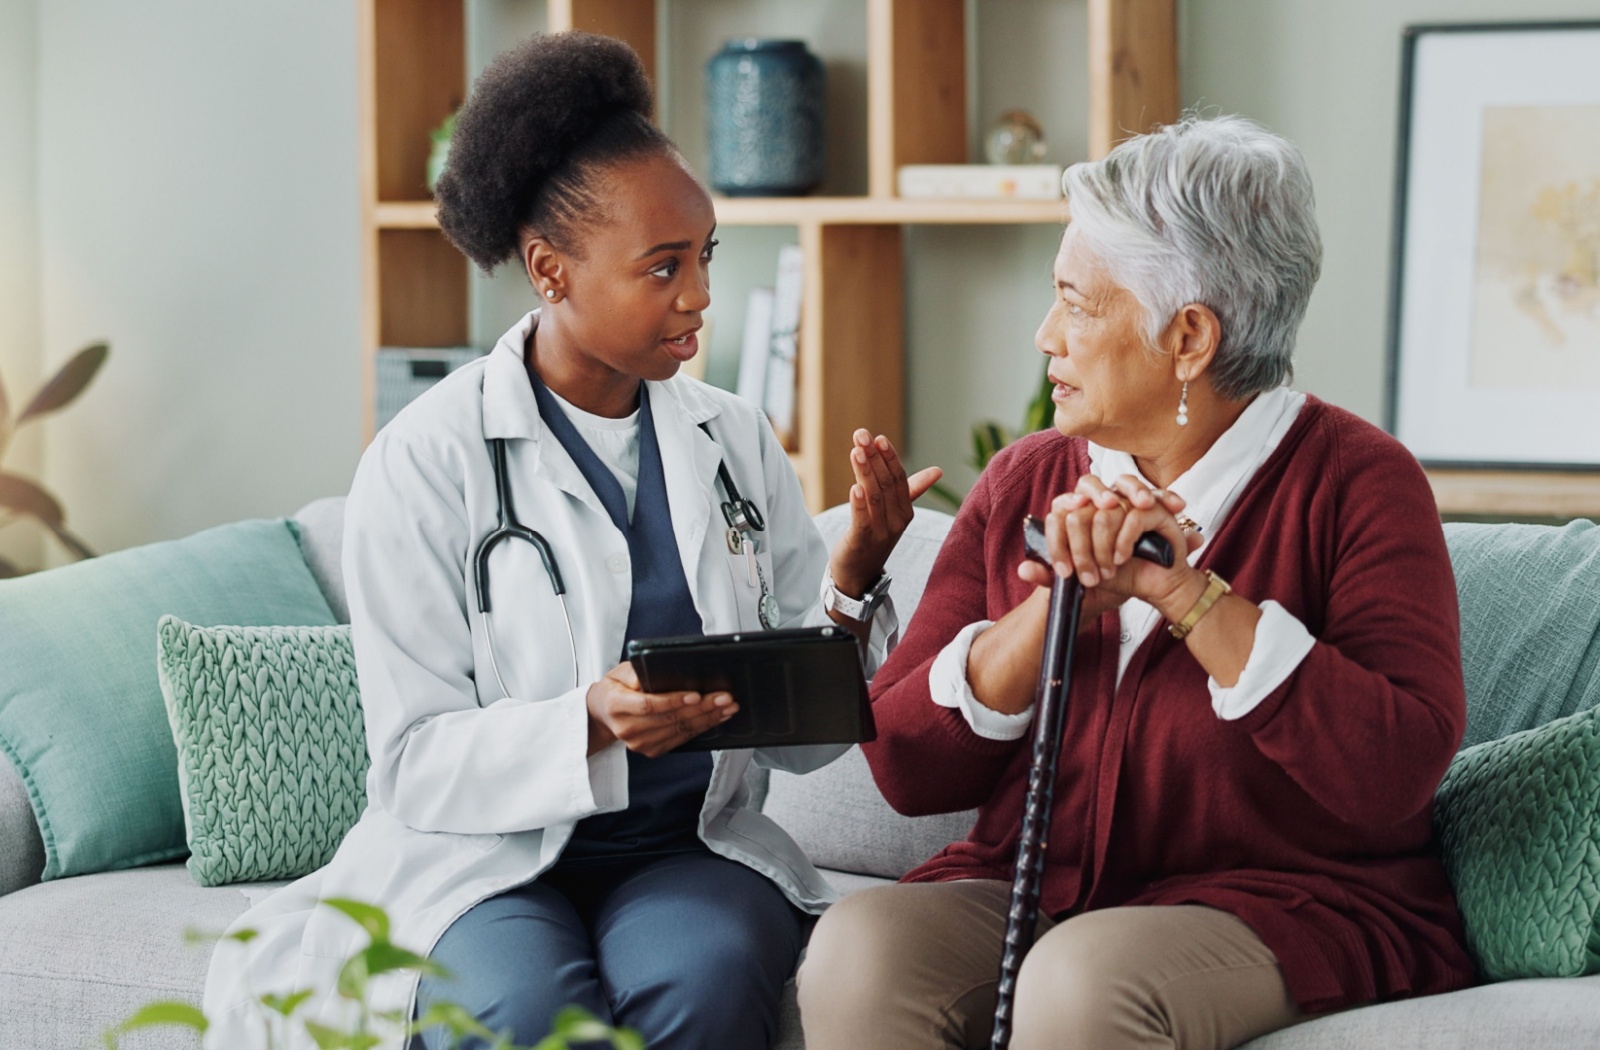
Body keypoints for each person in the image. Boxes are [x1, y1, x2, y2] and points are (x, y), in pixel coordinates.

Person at [201, 31, 939, 1050]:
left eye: (705, 257)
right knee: (523, 1015)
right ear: (551, 270)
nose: (700, 297)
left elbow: (807, 746)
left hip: (686, 849)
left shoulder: (732, 438)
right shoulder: (425, 460)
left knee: (707, 981)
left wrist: (853, 582)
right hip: (483, 859)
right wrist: (586, 721)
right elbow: (413, 763)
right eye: (662, 267)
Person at [797, 114, 1474, 1050]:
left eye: (1077, 304)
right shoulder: (1027, 479)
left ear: (1189, 336)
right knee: (860, 948)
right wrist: (1056, 605)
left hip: (1284, 906)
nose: (1045, 337)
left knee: (1079, 982)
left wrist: (1184, 596)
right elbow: (906, 766)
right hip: (1042, 883)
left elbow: (1395, 767)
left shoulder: (1359, 481)